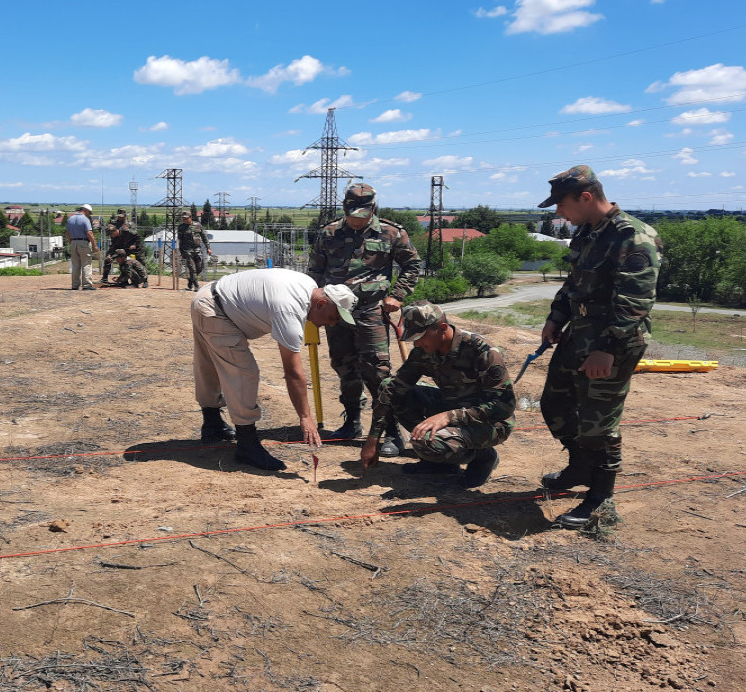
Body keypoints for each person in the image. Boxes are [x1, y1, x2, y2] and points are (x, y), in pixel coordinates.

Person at [536, 165, 662, 529]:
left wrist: (607, 348)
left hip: (614, 343)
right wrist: (556, 317)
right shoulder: (589, 233)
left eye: (561, 205)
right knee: (555, 402)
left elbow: (636, 301)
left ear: (585, 197)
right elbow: (574, 283)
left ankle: (600, 497)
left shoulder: (633, 237)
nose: (559, 213)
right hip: (579, 335)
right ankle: (579, 466)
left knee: (598, 421)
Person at [191, 269, 357, 471]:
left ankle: (212, 425)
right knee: (243, 372)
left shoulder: (308, 285)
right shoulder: (290, 308)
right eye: (333, 317)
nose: (331, 324)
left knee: (209, 363)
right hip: (215, 308)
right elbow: (293, 372)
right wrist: (305, 418)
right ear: (321, 304)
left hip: (210, 296)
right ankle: (247, 445)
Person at [308, 183, 420, 453]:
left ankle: (391, 431)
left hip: (372, 311)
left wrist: (398, 295)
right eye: (352, 214)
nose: (356, 220)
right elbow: (314, 272)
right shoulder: (329, 232)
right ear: (344, 208)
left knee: (377, 371)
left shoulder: (392, 233)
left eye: (362, 214)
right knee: (344, 366)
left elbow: (412, 264)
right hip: (335, 313)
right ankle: (352, 422)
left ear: (373, 209)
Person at [360, 302, 515, 487]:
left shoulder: (482, 350)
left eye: (420, 337)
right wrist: (373, 439)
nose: (417, 343)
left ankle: (483, 458)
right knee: (392, 388)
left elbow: (503, 406)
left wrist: (449, 417)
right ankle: (440, 462)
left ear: (442, 329)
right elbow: (394, 390)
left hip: (490, 422)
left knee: (427, 441)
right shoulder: (423, 351)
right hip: (451, 405)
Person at [102, 210, 142, 284]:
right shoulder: (114, 224)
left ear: (125, 216)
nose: (120, 218)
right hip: (118, 246)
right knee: (109, 258)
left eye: (122, 216)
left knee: (139, 261)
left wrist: (134, 245)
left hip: (130, 246)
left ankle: (144, 280)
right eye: (119, 216)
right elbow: (113, 239)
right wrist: (111, 252)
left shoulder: (129, 225)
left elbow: (137, 236)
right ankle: (105, 278)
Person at [177, 210, 212, 291]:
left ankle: (191, 279)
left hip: (197, 250)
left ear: (190, 217)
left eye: (186, 218)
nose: (185, 220)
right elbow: (180, 240)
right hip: (187, 250)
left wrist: (208, 248)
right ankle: (196, 286)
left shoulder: (198, 225)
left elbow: (204, 237)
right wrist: (181, 252)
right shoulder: (181, 227)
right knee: (192, 269)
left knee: (200, 267)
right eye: (183, 219)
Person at [66, 204, 99, 290]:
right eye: (89, 212)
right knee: (86, 264)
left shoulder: (70, 218)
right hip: (83, 243)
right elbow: (89, 233)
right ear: (86, 210)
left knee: (75, 265)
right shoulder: (85, 219)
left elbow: (68, 233)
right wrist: (95, 245)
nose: (89, 214)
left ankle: (75, 285)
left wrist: (71, 242)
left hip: (73, 242)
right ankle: (86, 285)